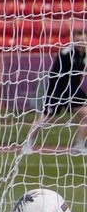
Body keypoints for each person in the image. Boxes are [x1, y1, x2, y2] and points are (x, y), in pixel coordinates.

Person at [23, 24, 87, 154]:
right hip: (58, 91)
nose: (82, 42)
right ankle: (27, 144)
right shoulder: (67, 53)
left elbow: (78, 76)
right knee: (45, 118)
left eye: (84, 39)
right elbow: (55, 74)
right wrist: (55, 91)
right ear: (74, 39)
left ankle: (79, 146)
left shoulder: (83, 55)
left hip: (73, 91)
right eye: (79, 39)